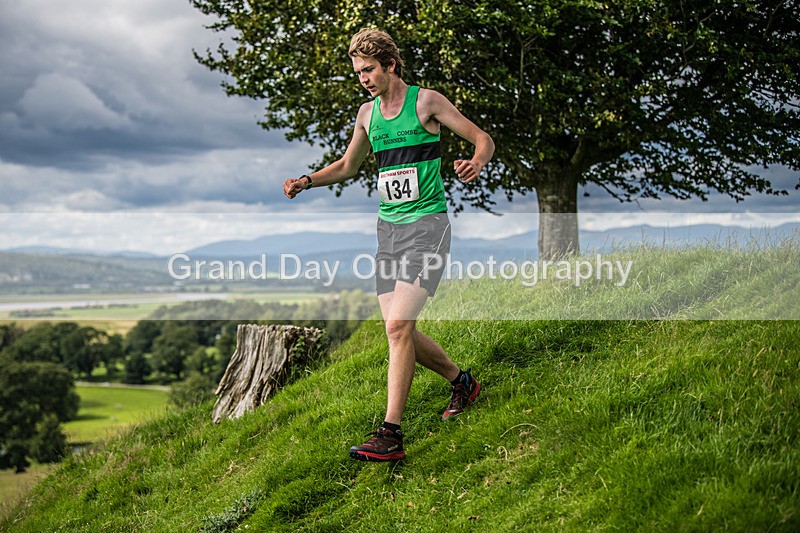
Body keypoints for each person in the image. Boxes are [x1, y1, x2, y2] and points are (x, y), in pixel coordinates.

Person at [283, 28, 495, 461]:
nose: (363, 78)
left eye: (369, 69)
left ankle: (391, 434)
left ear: (390, 65)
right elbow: (347, 165)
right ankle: (463, 383)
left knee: (398, 328)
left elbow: (482, 139)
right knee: (399, 330)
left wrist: (474, 162)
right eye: (358, 72)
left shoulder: (426, 102)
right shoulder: (367, 114)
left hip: (428, 227)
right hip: (389, 232)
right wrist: (307, 181)